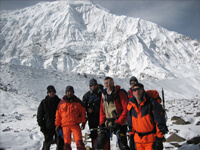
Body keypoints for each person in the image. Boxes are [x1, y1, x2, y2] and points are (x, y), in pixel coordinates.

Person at [127, 83, 168, 150]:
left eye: (139, 89)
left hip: (151, 140)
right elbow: (130, 123)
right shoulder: (131, 105)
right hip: (138, 140)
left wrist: (159, 139)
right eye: (134, 90)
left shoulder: (151, 103)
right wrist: (131, 136)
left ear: (143, 90)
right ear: (132, 92)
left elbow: (159, 121)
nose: (137, 92)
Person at [94, 77, 129, 150]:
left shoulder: (120, 93)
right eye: (106, 83)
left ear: (113, 83)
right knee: (99, 143)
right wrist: (102, 122)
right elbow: (102, 110)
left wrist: (119, 122)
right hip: (108, 122)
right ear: (104, 84)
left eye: (110, 82)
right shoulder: (103, 95)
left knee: (123, 145)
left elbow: (126, 109)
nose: (108, 84)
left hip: (120, 122)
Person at [55, 86, 86, 150]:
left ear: (73, 92)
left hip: (75, 125)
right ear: (66, 93)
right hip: (65, 126)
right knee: (66, 145)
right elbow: (58, 115)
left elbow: (83, 112)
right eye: (68, 92)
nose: (69, 93)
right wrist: (57, 125)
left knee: (79, 143)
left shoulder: (78, 102)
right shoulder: (61, 103)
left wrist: (83, 122)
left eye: (71, 91)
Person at [37, 85, 64, 150]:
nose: (52, 93)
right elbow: (39, 116)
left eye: (53, 92)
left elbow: (64, 114)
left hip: (59, 126)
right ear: (48, 93)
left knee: (60, 144)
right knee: (47, 144)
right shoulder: (44, 102)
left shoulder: (59, 102)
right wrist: (42, 126)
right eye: (50, 92)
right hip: (48, 127)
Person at [82, 79, 102, 150]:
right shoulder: (86, 95)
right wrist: (88, 109)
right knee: (93, 133)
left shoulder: (101, 93)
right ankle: (94, 147)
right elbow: (83, 106)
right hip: (91, 117)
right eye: (91, 85)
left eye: (94, 85)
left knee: (102, 132)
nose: (93, 87)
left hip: (101, 116)